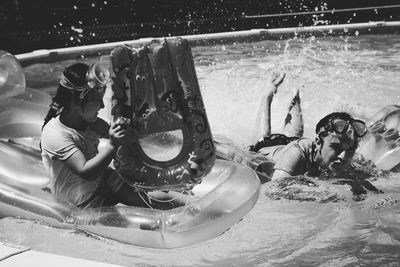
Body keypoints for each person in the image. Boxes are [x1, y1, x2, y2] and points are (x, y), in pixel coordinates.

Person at [40, 63, 187, 209]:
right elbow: (85, 171)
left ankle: (191, 205)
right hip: (80, 203)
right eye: (97, 100)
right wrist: (113, 144)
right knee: (113, 179)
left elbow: (128, 134)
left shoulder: (90, 123)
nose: (102, 106)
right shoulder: (56, 134)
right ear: (75, 102)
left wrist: (171, 139)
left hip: (102, 183)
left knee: (139, 191)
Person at [221, 71, 368, 181]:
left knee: (295, 122)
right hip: (267, 148)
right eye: (336, 148)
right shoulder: (297, 153)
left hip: (291, 142)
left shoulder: (333, 158)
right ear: (317, 141)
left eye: (349, 149)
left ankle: (296, 94)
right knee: (263, 134)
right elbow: (275, 188)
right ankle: (268, 94)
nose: (342, 156)